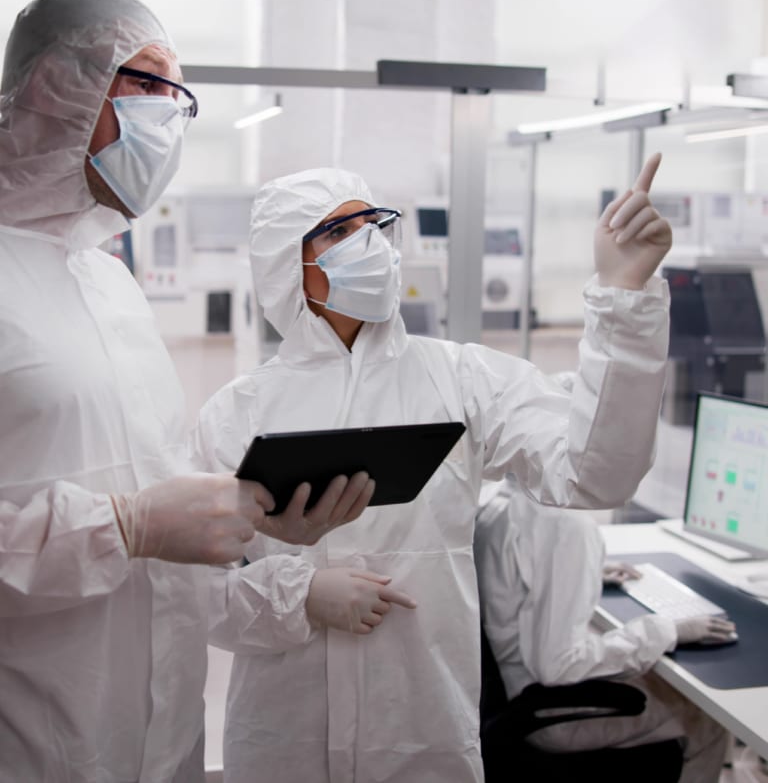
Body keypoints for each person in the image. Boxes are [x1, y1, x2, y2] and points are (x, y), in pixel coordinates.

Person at [189, 158, 674, 783]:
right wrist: (298, 596)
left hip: (422, 735)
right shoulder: (235, 413)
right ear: (288, 264)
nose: (368, 243)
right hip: (285, 742)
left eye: (374, 224)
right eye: (337, 233)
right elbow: (188, 592)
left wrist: (624, 300)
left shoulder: (463, 379)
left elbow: (594, 474)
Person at [0, 0, 375, 782]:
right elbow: (134, 523)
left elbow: (161, 535)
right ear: (50, 87)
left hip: (161, 745)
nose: (166, 117)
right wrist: (123, 527)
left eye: (178, 97)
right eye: (145, 84)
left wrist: (249, 528)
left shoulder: (110, 287)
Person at [474, 480, 733, 783]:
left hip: (508, 698)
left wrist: (585, 573)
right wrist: (665, 630)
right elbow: (558, 665)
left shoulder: (505, 499)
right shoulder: (569, 525)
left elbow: (521, 579)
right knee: (708, 718)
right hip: (549, 714)